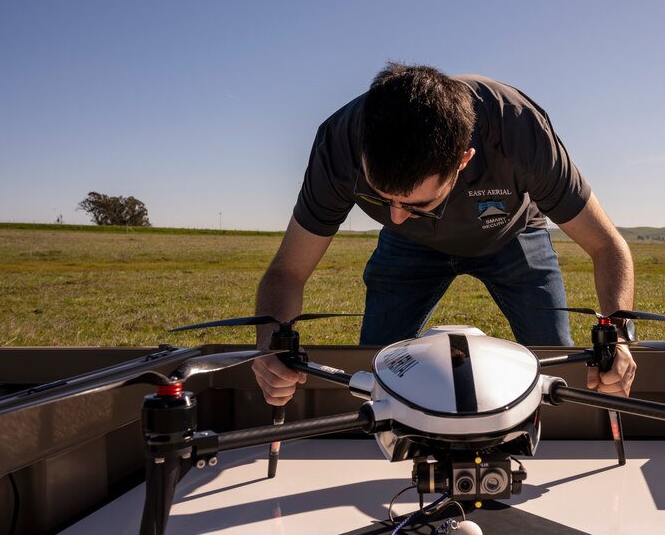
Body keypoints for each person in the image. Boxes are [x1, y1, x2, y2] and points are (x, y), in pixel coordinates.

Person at [252, 63, 636, 406]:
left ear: (464, 159)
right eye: (381, 198)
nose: (397, 216)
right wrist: (270, 345)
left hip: (513, 234)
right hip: (408, 250)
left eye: (418, 204)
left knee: (560, 370)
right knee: (378, 370)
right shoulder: (338, 146)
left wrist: (617, 335)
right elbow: (288, 271)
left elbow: (607, 246)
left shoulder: (518, 129)